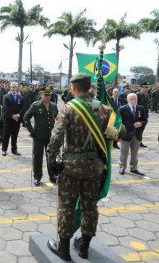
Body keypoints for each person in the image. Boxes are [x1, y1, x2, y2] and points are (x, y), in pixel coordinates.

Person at [46, 73, 120, 261]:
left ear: (74, 88)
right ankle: (84, 247)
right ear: (89, 87)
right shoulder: (104, 109)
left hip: (71, 167)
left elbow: (56, 138)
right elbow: (118, 133)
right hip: (94, 167)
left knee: (66, 206)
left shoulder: (69, 108)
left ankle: (63, 248)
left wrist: (51, 161)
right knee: (89, 206)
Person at [24, 85, 58, 185]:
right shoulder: (36, 105)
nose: (48, 97)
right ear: (41, 95)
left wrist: (56, 131)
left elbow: (58, 119)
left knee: (51, 156)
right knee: (37, 157)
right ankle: (37, 177)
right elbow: (26, 118)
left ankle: (52, 175)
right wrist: (31, 131)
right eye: (45, 95)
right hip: (38, 136)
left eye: (49, 95)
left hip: (50, 136)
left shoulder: (53, 105)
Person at [118, 93, 148, 176]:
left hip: (137, 134)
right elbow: (118, 122)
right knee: (124, 152)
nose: (134, 100)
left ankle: (133, 168)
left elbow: (145, 120)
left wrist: (141, 123)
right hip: (126, 135)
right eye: (131, 99)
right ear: (127, 100)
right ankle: (122, 167)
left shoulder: (141, 108)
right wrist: (119, 136)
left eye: (135, 98)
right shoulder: (122, 109)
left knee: (135, 153)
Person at [1, 82, 24, 156]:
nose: (13, 89)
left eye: (14, 87)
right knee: (6, 135)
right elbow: (5, 108)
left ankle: (14, 150)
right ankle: (4, 149)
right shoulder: (6, 97)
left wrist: (18, 115)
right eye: (11, 87)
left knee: (15, 135)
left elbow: (23, 108)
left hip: (17, 120)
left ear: (17, 88)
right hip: (8, 119)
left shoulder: (21, 97)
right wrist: (12, 116)